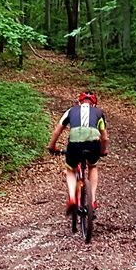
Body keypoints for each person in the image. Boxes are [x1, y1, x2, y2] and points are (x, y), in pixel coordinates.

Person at [46, 90, 108, 219]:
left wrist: (52, 147)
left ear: (79, 102)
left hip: (74, 145)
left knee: (70, 169)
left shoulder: (71, 111)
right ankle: (92, 200)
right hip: (93, 145)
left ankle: (73, 198)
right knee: (93, 166)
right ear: (94, 104)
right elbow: (105, 138)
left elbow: (57, 132)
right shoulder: (99, 113)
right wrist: (102, 150)